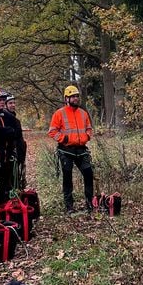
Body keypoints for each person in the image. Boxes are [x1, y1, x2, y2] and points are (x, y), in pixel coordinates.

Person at [47, 85, 94, 214]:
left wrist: (87, 136)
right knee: (67, 178)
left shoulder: (83, 113)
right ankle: (69, 206)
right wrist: (64, 139)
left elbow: (89, 128)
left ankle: (90, 203)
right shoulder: (59, 113)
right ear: (66, 98)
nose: (75, 99)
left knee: (88, 175)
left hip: (81, 149)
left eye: (77, 96)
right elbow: (52, 131)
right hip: (66, 150)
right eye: (73, 96)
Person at [5, 92, 27, 189]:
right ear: (5, 105)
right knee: (10, 184)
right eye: (10, 103)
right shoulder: (3, 120)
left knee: (18, 183)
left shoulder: (16, 120)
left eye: (14, 103)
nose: (13, 105)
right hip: (9, 159)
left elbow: (19, 139)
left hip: (18, 157)